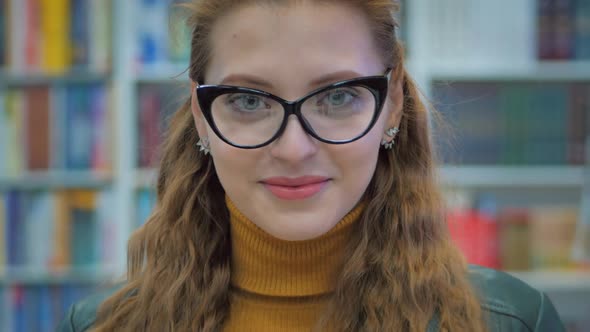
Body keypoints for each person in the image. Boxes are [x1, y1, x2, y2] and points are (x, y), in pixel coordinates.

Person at [58, 0, 566, 331]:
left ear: (390, 103)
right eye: (250, 101)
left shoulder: (510, 322)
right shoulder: (99, 326)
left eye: (339, 96)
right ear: (199, 113)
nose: (294, 149)